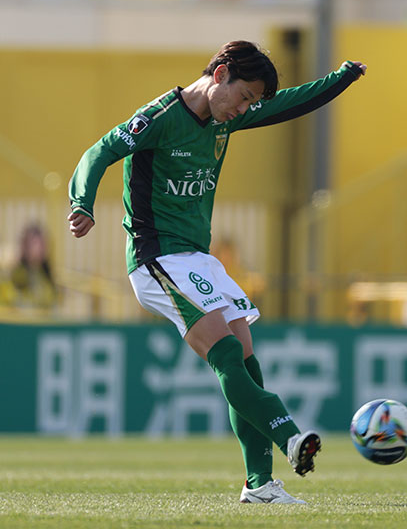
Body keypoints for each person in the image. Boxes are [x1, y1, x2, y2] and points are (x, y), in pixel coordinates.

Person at [68, 41, 366, 505]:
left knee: (245, 358)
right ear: (221, 74)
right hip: (157, 257)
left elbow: (289, 105)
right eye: (245, 96)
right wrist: (82, 202)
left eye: (251, 102)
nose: (245, 108)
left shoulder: (227, 117)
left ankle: (260, 485)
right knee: (225, 351)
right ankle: (288, 435)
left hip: (198, 260)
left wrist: (341, 78)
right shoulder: (159, 118)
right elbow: (99, 151)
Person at [1, 224, 58, 312]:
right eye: (35, 244)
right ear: (25, 246)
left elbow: (52, 299)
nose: (39, 249)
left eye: (42, 244)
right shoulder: (17, 274)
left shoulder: (45, 274)